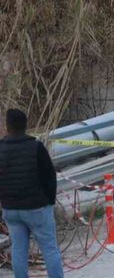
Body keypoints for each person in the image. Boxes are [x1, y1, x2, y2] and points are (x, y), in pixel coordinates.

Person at [0, 109, 63, 278]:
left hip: (11, 209)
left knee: (19, 250)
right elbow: (50, 176)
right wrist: (49, 201)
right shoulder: (36, 147)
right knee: (50, 249)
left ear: (7, 126)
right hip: (37, 208)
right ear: (25, 125)